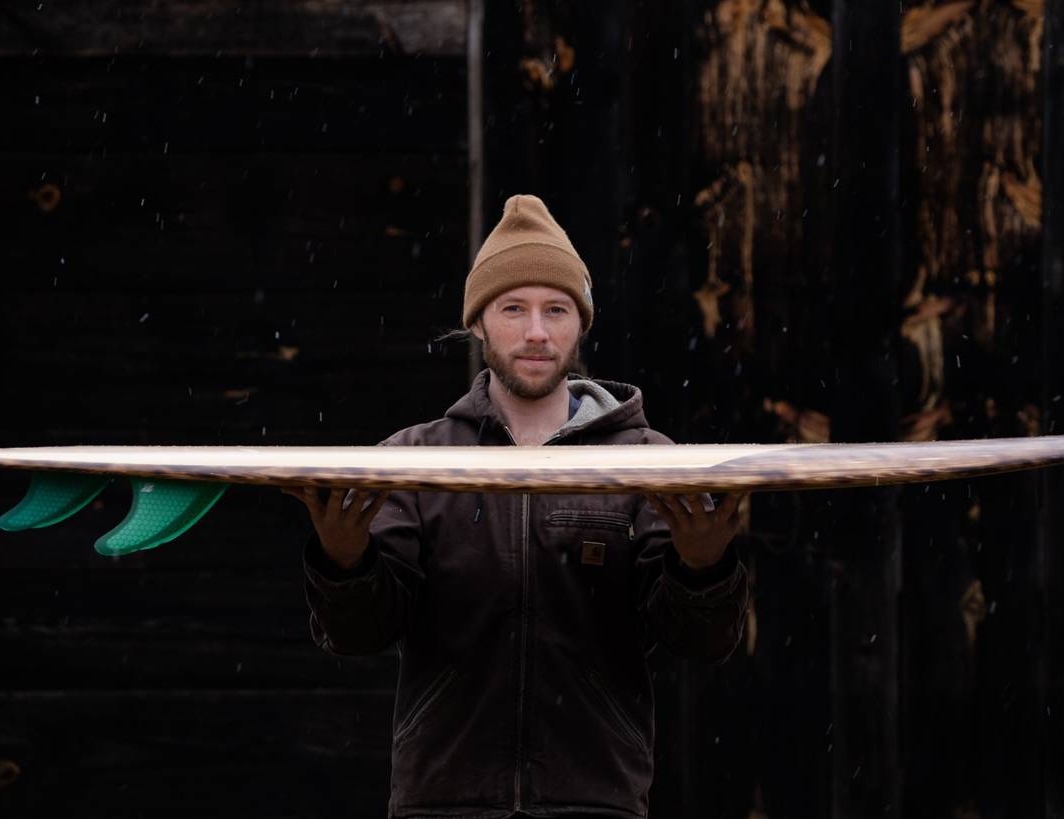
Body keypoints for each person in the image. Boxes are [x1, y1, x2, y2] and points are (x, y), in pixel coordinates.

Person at [284, 194, 750, 818]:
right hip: (443, 801)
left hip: (596, 800)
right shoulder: (415, 458)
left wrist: (702, 569)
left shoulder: (646, 459)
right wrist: (343, 562)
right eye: (513, 309)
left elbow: (699, 642)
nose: (536, 332)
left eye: (556, 309)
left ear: (580, 324)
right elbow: (359, 634)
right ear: (477, 322)